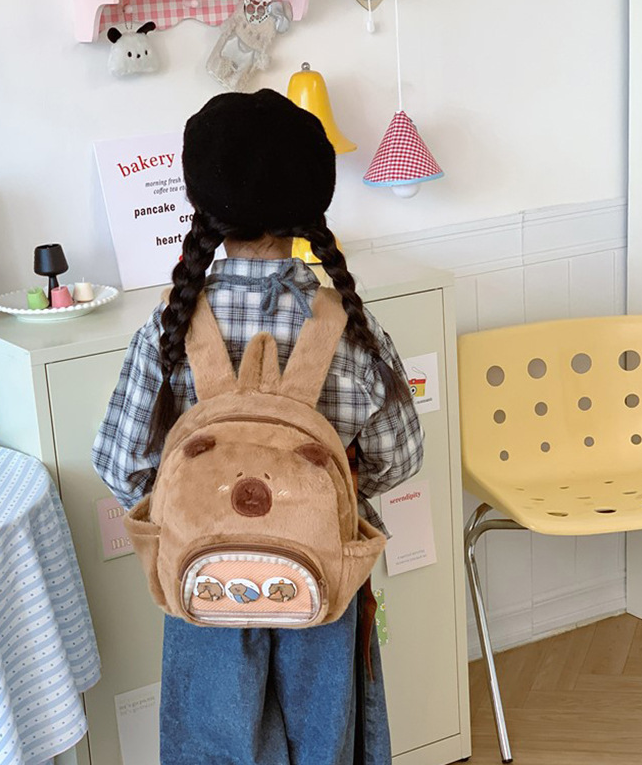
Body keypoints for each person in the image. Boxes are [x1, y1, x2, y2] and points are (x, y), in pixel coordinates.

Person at [92, 89, 423, 765]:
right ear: (310, 205)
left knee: (210, 745)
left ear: (201, 200)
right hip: (321, 584)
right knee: (325, 743)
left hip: (200, 583)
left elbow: (120, 462)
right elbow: (400, 456)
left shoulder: (170, 326)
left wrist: (194, 500)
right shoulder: (349, 329)